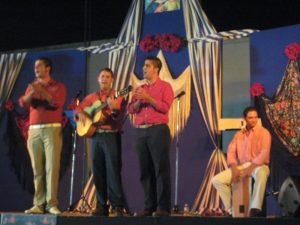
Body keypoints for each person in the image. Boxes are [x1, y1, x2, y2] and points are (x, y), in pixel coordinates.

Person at [74, 68, 126, 216]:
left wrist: (114, 109)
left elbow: (119, 116)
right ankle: (101, 206)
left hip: (110, 135)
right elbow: (77, 109)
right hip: (95, 136)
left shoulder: (118, 96)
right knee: (97, 172)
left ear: (112, 80)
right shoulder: (92, 97)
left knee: (113, 171)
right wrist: (81, 115)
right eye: (102, 76)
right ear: (98, 79)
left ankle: (117, 207)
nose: (104, 79)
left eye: (108, 77)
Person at [19, 57, 67, 215]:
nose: (36, 69)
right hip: (34, 130)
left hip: (51, 129)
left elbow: (57, 103)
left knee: (51, 167)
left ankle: (51, 203)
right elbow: (22, 102)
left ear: (48, 68)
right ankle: (38, 204)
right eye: (35, 67)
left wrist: (42, 91)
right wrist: (33, 91)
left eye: (39, 66)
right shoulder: (33, 86)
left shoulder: (58, 86)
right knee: (37, 169)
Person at [128, 56, 174, 217]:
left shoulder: (165, 86)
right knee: (145, 170)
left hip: (158, 130)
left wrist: (148, 98)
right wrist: (139, 101)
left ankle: (163, 208)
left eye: (147, 66)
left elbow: (165, 107)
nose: (144, 68)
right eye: (144, 66)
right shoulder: (140, 88)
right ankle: (149, 207)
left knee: (161, 169)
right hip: (141, 131)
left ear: (156, 69)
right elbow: (131, 109)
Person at [212, 106, 271, 217]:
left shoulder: (264, 133)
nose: (253, 120)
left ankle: (255, 207)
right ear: (244, 119)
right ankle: (231, 208)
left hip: (259, 165)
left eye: (255, 117)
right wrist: (234, 168)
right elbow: (231, 151)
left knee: (262, 173)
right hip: (243, 166)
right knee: (216, 180)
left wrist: (250, 168)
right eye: (250, 118)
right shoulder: (239, 134)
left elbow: (264, 153)